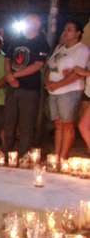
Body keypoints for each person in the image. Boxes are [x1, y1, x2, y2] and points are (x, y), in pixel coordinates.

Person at [3, 14, 50, 156]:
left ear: (38, 24)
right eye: (27, 20)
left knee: (26, 123)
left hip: (29, 88)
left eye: (31, 21)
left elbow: (37, 65)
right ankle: (6, 152)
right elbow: (7, 58)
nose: (28, 23)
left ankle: (23, 154)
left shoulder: (41, 42)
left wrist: (14, 75)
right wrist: (9, 75)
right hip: (12, 87)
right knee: (9, 121)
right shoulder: (17, 39)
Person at [45, 21, 89, 160]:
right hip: (53, 91)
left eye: (69, 29)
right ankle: (56, 156)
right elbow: (50, 66)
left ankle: (63, 157)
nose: (65, 32)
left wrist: (57, 85)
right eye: (64, 29)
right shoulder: (60, 47)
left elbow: (77, 73)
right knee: (58, 124)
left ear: (78, 33)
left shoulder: (81, 49)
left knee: (67, 125)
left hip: (69, 91)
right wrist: (48, 82)